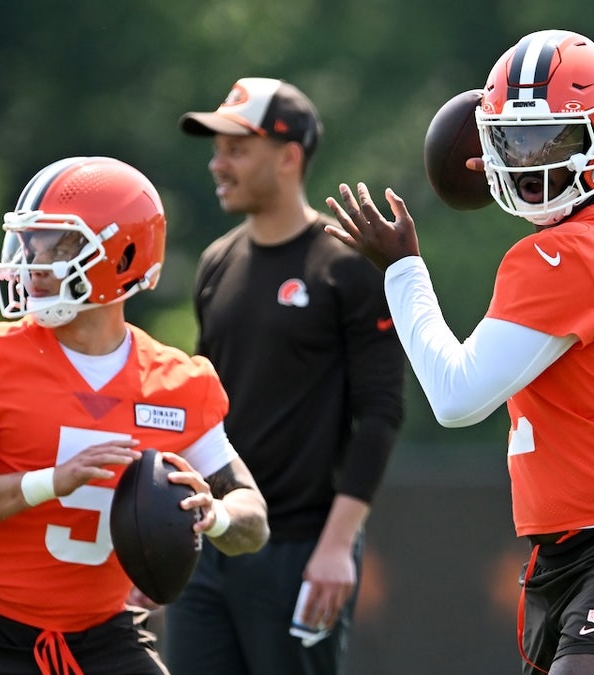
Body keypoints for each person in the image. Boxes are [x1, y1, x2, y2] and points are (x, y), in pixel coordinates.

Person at [324, 30, 594, 675]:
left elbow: (456, 397)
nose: (529, 163)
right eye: (513, 141)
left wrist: (402, 270)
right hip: (576, 550)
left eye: (551, 141)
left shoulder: (563, 255)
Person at [0, 155, 271, 675]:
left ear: (124, 256)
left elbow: (254, 520)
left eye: (59, 246)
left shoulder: (177, 384)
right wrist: (50, 482)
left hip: (102, 638)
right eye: (31, 244)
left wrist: (217, 514)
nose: (34, 262)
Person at [167, 77, 405, 675]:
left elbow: (381, 413)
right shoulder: (216, 262)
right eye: (217, 149)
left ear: (288, 156)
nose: (218, 164)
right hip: (215, 534)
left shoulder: (346, 266)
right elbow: (199, 412)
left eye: (236, 149)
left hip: (301, 549)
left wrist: (337, 546)